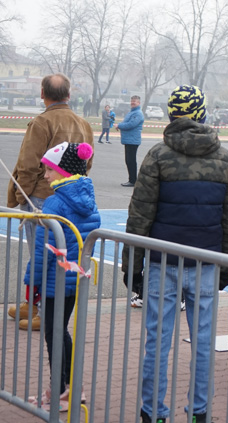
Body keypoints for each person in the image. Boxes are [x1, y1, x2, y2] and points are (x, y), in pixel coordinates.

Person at [122, 85, 228, 423]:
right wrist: (226, 265)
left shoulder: (158, 156)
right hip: (207, 262)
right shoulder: (226, 159)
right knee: (203, 343)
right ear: (203, 113)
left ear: (172, 114)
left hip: (163, 262)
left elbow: (140, 216)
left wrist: (132, 267)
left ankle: (153, 413)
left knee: (157, 343)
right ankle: (199, 413)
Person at [6, 73, 94, 330]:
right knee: (47, 255)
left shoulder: (41, 122)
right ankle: (32, 303)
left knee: (46, 257)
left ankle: (44, 311)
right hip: (68, 196)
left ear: (43, 94)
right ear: (68, 95)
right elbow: (87, 162)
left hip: (41, 198)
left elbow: (28, 163)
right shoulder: (84, 124)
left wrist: (24, 198)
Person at [23, 141, 100, 411]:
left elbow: (43, 252)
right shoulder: (87, 198)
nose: (45, 176)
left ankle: (63, 390)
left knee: (54, 334)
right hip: (75, 278)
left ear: (64, 171)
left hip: (56, 279)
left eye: (49, 170)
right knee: (60, 331)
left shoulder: (55, 202)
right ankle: (67, 387)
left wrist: (32, 281)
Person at [117, 95, 144, 187]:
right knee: (128, 160)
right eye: (132, 101)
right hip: (129, 140)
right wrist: (121, 125)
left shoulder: (138, 114)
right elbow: (126, 123)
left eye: (135, 101)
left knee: (131, 161)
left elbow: (131, 125)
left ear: (139, 103)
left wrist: (119, 125)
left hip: (133, 140)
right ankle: (132, 179)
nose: (132, 103)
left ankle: (133, 180)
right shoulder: (131, 112)